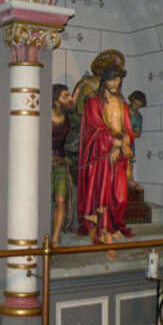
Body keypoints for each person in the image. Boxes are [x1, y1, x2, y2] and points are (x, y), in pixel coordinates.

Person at [77, 64, 135, 257]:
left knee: (120, 196)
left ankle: (113, 224)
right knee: (103, 194)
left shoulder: (122, 103)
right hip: (101, 155)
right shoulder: (93, 103)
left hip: (118, 155)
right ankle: (104, 233)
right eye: (111, 79)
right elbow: (94, 130)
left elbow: (127, 128)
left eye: (118, 79)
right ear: (104, 81)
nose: (115, 83)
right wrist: (115, 143)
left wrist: (125, 142)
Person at [51, 84, 74, 246]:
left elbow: (71, 142)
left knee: (61, 200)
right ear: (56, 101)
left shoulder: (68, 120)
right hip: (41, 165)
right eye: (65, 96)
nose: (70, 99)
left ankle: (55, 239)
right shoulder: (43, 116)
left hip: (59, 163)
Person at [127, 90, 147, 191]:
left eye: (139, 105)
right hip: (118, 141)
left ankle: (130, 179)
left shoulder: (138, 117)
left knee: (130, 162)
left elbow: (138, 133)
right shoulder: (123, 110)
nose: (136, 107)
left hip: (129, 142)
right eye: (135, 104)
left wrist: (128, 133)